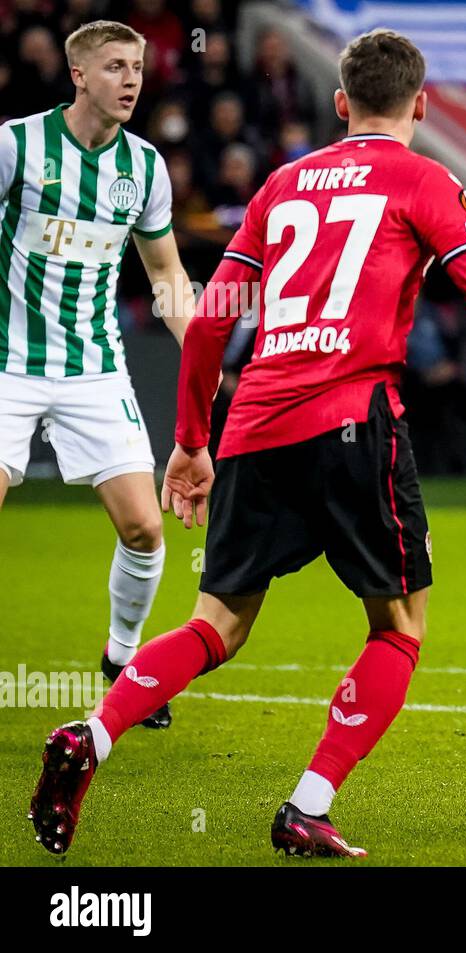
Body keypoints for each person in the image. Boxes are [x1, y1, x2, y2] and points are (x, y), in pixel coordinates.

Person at [29, 28, 466, 858]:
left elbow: (206, 326)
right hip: (353, 418)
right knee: (398, 626)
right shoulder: (424, 178)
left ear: (341, 105)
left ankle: (91, 736)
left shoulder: (282, 182)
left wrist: (192, 442)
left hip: (257, 420)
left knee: (217, 626)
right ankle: (306, 804)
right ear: (422, 104)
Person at [0, 21, 195, 729]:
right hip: (7, 363)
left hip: (94, 366)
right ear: (78, 75)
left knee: (146, 528)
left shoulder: (143, 168)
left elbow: (167, 274)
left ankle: (121, 660)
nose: (131, 80)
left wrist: (201, 346)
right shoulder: (15, 145)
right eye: (115, 66)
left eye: (137, 67)